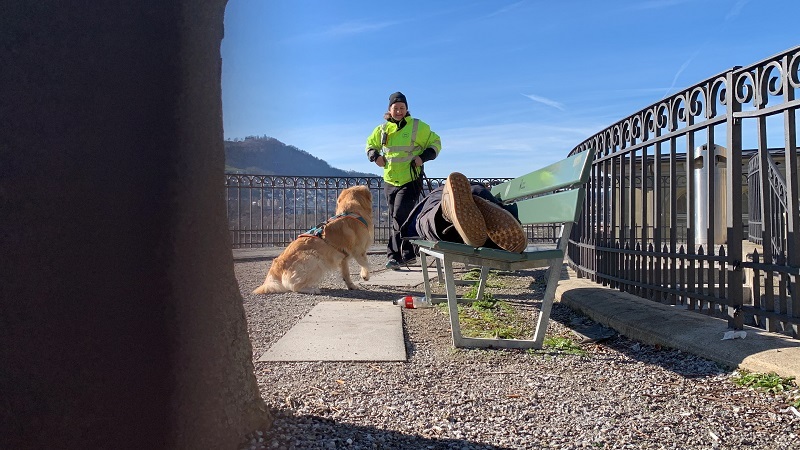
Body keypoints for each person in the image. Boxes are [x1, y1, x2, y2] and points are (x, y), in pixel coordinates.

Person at [366, 91, 441, 270]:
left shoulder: (417, 126)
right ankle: (408, 253)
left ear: (407, 109)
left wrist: (423, 157)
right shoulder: (382, 129)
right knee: (399, 217)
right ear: (389, 110)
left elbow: (436, 142)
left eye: (402, 108)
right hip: (390, 180)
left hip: (411, 179)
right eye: (395, 108)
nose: (399, 111)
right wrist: (375, 156)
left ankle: (393, 256)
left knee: (399, 216)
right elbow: (370, 145)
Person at [400, 172, 527, 255]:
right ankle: (469, 209)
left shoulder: (434, 196)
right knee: (477, 199)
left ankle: (446, 211)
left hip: (445, 223)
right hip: (478, 197)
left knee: (424, 223)